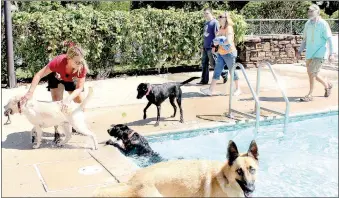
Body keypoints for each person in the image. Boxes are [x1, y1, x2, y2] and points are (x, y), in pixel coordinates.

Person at [20, 41, 90, 141]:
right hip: (56, 77)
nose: (80, 64)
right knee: (57, 102)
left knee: (79, 100)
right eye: (77, 62)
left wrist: (69, 99)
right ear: (69, 59)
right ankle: (57, 131)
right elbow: (39, 75)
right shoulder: (58, 61)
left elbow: (79, 88)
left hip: (71, 79)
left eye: (81, 61)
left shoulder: (81, 67)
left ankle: (78, 123)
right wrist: (30, 93)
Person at [296, 4, 334, 102]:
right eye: (309, 11)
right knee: (312, 74)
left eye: (311, 11)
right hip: (310, 53)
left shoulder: (323, 24)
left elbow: (329, 39)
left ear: (317, 12)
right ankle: (327, 85)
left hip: (320, 53)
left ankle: (310, 95)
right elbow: (305, 39)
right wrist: (300, 50)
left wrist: (331, 53)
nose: (309, 13)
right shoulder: (307, 24)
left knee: (312, 72)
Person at [200, 11, 241, 96]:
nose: (219, 18)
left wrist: (219, 41)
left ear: (226, 18)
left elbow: (228, 41)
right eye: (219, 17)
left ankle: (238, 89)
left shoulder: (229, 28)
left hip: (229, 53)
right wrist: (214, 45)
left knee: (232, 71)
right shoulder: (221, 27)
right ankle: (211, 90)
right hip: (221, 53)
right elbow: (217, 39)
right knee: (217, 71)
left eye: (221, 17)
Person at [197, 7, 219, 85]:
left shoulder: (215, 22)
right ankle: (204, 80)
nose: (205, 15)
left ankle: (224, 73)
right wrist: (203, 46)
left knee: (214, 64)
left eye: (207, 13)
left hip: (211, 47)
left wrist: (214, 47)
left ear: (211, 13)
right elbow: (205, 36)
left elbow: (217, 36)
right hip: (206, 47)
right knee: (204, 63)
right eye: (204, 14)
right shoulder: (206, 23)